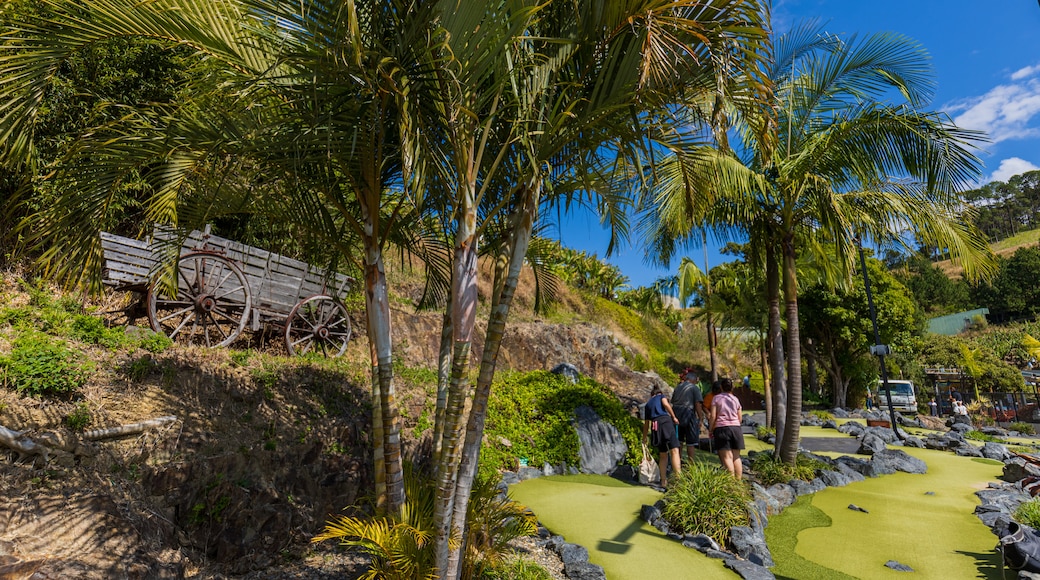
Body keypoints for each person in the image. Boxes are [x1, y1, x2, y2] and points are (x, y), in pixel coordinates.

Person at [641, 384, 681, 489]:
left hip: (656, 427)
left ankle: (663, 481)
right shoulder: (661, 397)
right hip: (665, 422)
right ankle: (678, 479)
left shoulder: (648, 404)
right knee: (674, 451)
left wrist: (644, 438)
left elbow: (646, 424)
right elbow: (666, 405)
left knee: (663, 455)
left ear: (651, 395)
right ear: (659, 393)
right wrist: (674, 417)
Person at [709, 378, 745, 479]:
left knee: (727, 457)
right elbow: (740, 418)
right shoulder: (735, 399)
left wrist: (711, 429)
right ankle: (738, 482)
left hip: (722, 428)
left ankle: (731, 481)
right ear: (732, 387)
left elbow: (713, 416)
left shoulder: (716, 398)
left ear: (721, 387)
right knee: (736, 457)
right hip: (736, 428)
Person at [672, 370, 706, 463]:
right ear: (693, 380)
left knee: (679, 440)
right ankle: (691, 464)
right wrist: (700, 418)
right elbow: (698, 404)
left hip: (676, 413)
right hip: (688, 413)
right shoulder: (694, 388)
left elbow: (673, 402)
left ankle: (677, 463)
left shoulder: (678, 387)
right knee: (691, 442)